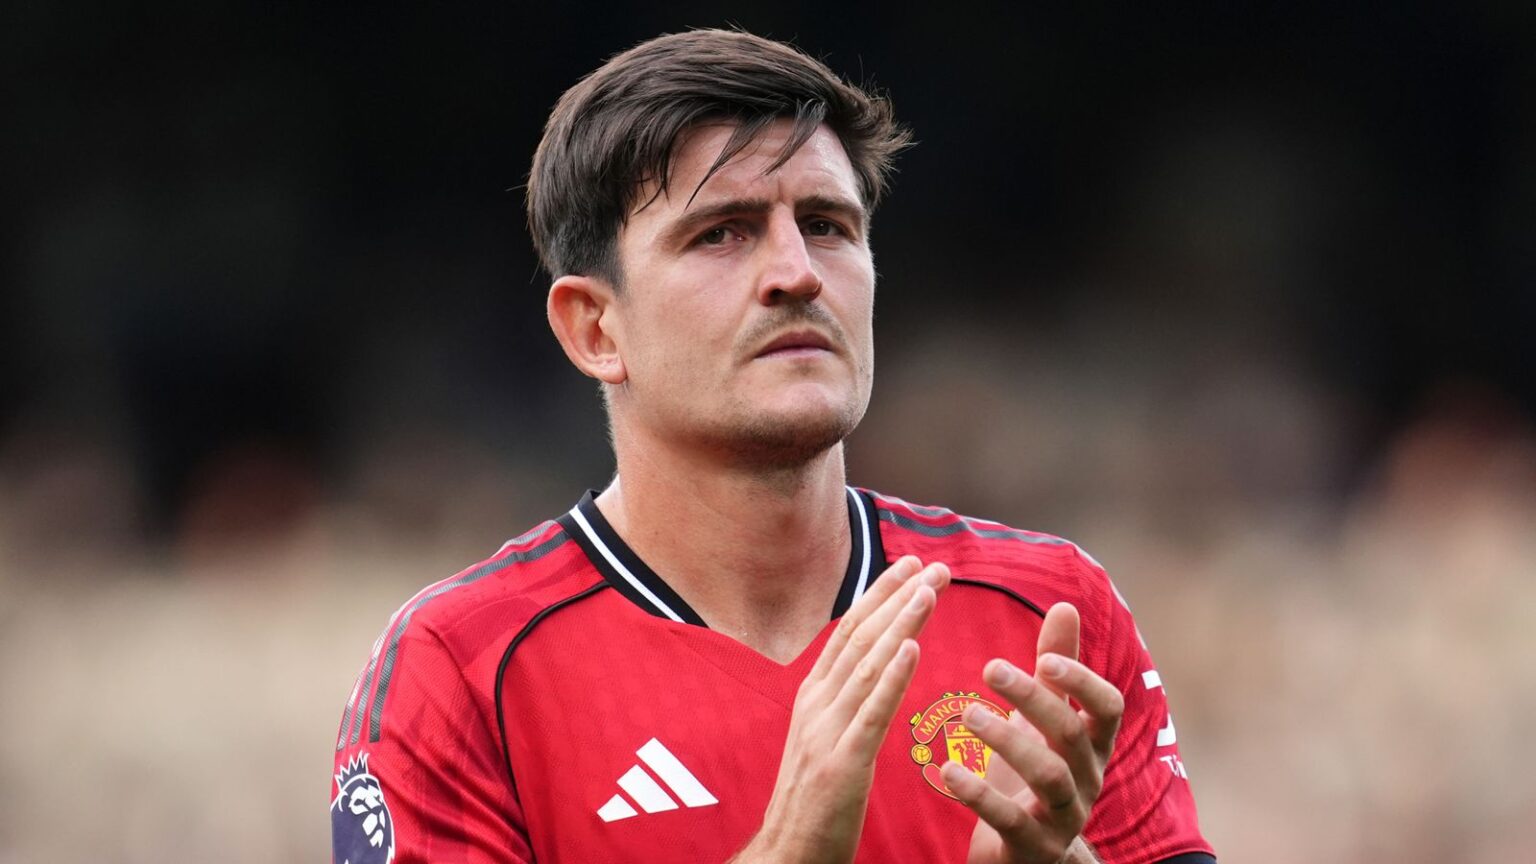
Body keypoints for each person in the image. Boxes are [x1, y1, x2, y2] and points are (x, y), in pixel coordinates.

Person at [331, 28, 1215, 864]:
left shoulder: (1050, 614)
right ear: (595, 328)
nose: (797, 273)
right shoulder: (461, 669)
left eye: (827, 225)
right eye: (722, 232)